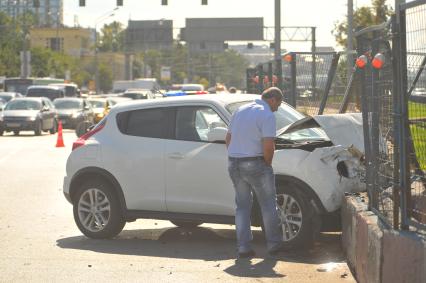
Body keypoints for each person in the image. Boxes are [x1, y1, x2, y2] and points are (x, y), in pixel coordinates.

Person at [226, 87, 284, 258]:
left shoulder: (239, 110)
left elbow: (228, 139)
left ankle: (243, 247)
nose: (277, 108)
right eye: (278, 104)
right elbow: (268, 146)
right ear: (272, 99)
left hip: (234, 163)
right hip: (255, 163)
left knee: (242, 207)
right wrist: (266, 165)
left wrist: (236, 156)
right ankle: (274, 245)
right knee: (267, 205)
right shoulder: (267, 115)